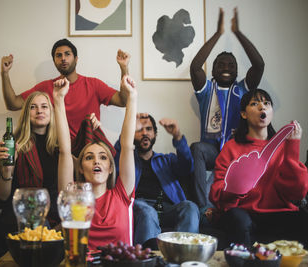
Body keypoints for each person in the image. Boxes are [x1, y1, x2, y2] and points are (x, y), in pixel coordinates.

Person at [209, 89, 308, 246]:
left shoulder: (283, 146)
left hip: (277, 214)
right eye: (255, 104)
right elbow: (216, 195)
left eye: (266, 103)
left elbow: (296, 192)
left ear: (271, 112)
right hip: (243, 214)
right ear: (244, 114)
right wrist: (236, 188)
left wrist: (293, 147)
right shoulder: (231, 147)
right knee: (238, 219)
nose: (262, 107)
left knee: (303, 220)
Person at [189, 8, 265, 213]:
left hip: (236, 151)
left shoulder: (241, 90)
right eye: (220, 64)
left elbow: (258, 65)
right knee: (196, 148)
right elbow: (195, 66)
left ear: (237, 71)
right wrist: (218, 34)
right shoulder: (206, 90)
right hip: (212, 151)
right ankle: (202, 207)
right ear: (212, 70)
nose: (226, 67)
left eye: (231, 65)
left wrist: (238, 33)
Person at [54, 74, 137, 250]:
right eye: (89, 157)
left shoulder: (122, 195)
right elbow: (64, 151)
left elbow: (127, 146)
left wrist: (132, 98)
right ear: (81, 169)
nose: (96, 161)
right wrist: (59, 99)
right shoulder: (72, 198)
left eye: (103, 157)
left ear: (110, 168)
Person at [1, 39, 130, 140]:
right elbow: (13, 104)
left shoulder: (93, 84)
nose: (63, 58)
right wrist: (4, 74)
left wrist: (124, 68)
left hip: (88, 147)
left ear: (76, 59)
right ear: (54, 61)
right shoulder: (45, 87)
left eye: (67, 54)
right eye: (58, 55)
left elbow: (123, 101)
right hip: (56, 149)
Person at [114, 114, 199, 248]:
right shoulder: (126, 161)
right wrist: (127, 130)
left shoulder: (167, 160)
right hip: (139, 207)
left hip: (167, 208)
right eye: (139, 129)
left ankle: (183, 256)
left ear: (155, 134)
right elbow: (117, 155)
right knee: (148, 212)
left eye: (148, 129)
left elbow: (187, 167)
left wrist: (177, 136)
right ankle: (147, 259)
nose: (144, 133)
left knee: (190, 207)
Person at [0, 91, 61, 235]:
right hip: (24, 216)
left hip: (55, 218)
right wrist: (6, 171)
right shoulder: (15, 144)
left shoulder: (60, 147)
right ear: (26, 113)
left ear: (51, 112)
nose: (39, 111)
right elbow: (2, 196)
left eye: (44, 106)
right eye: (33, 107)